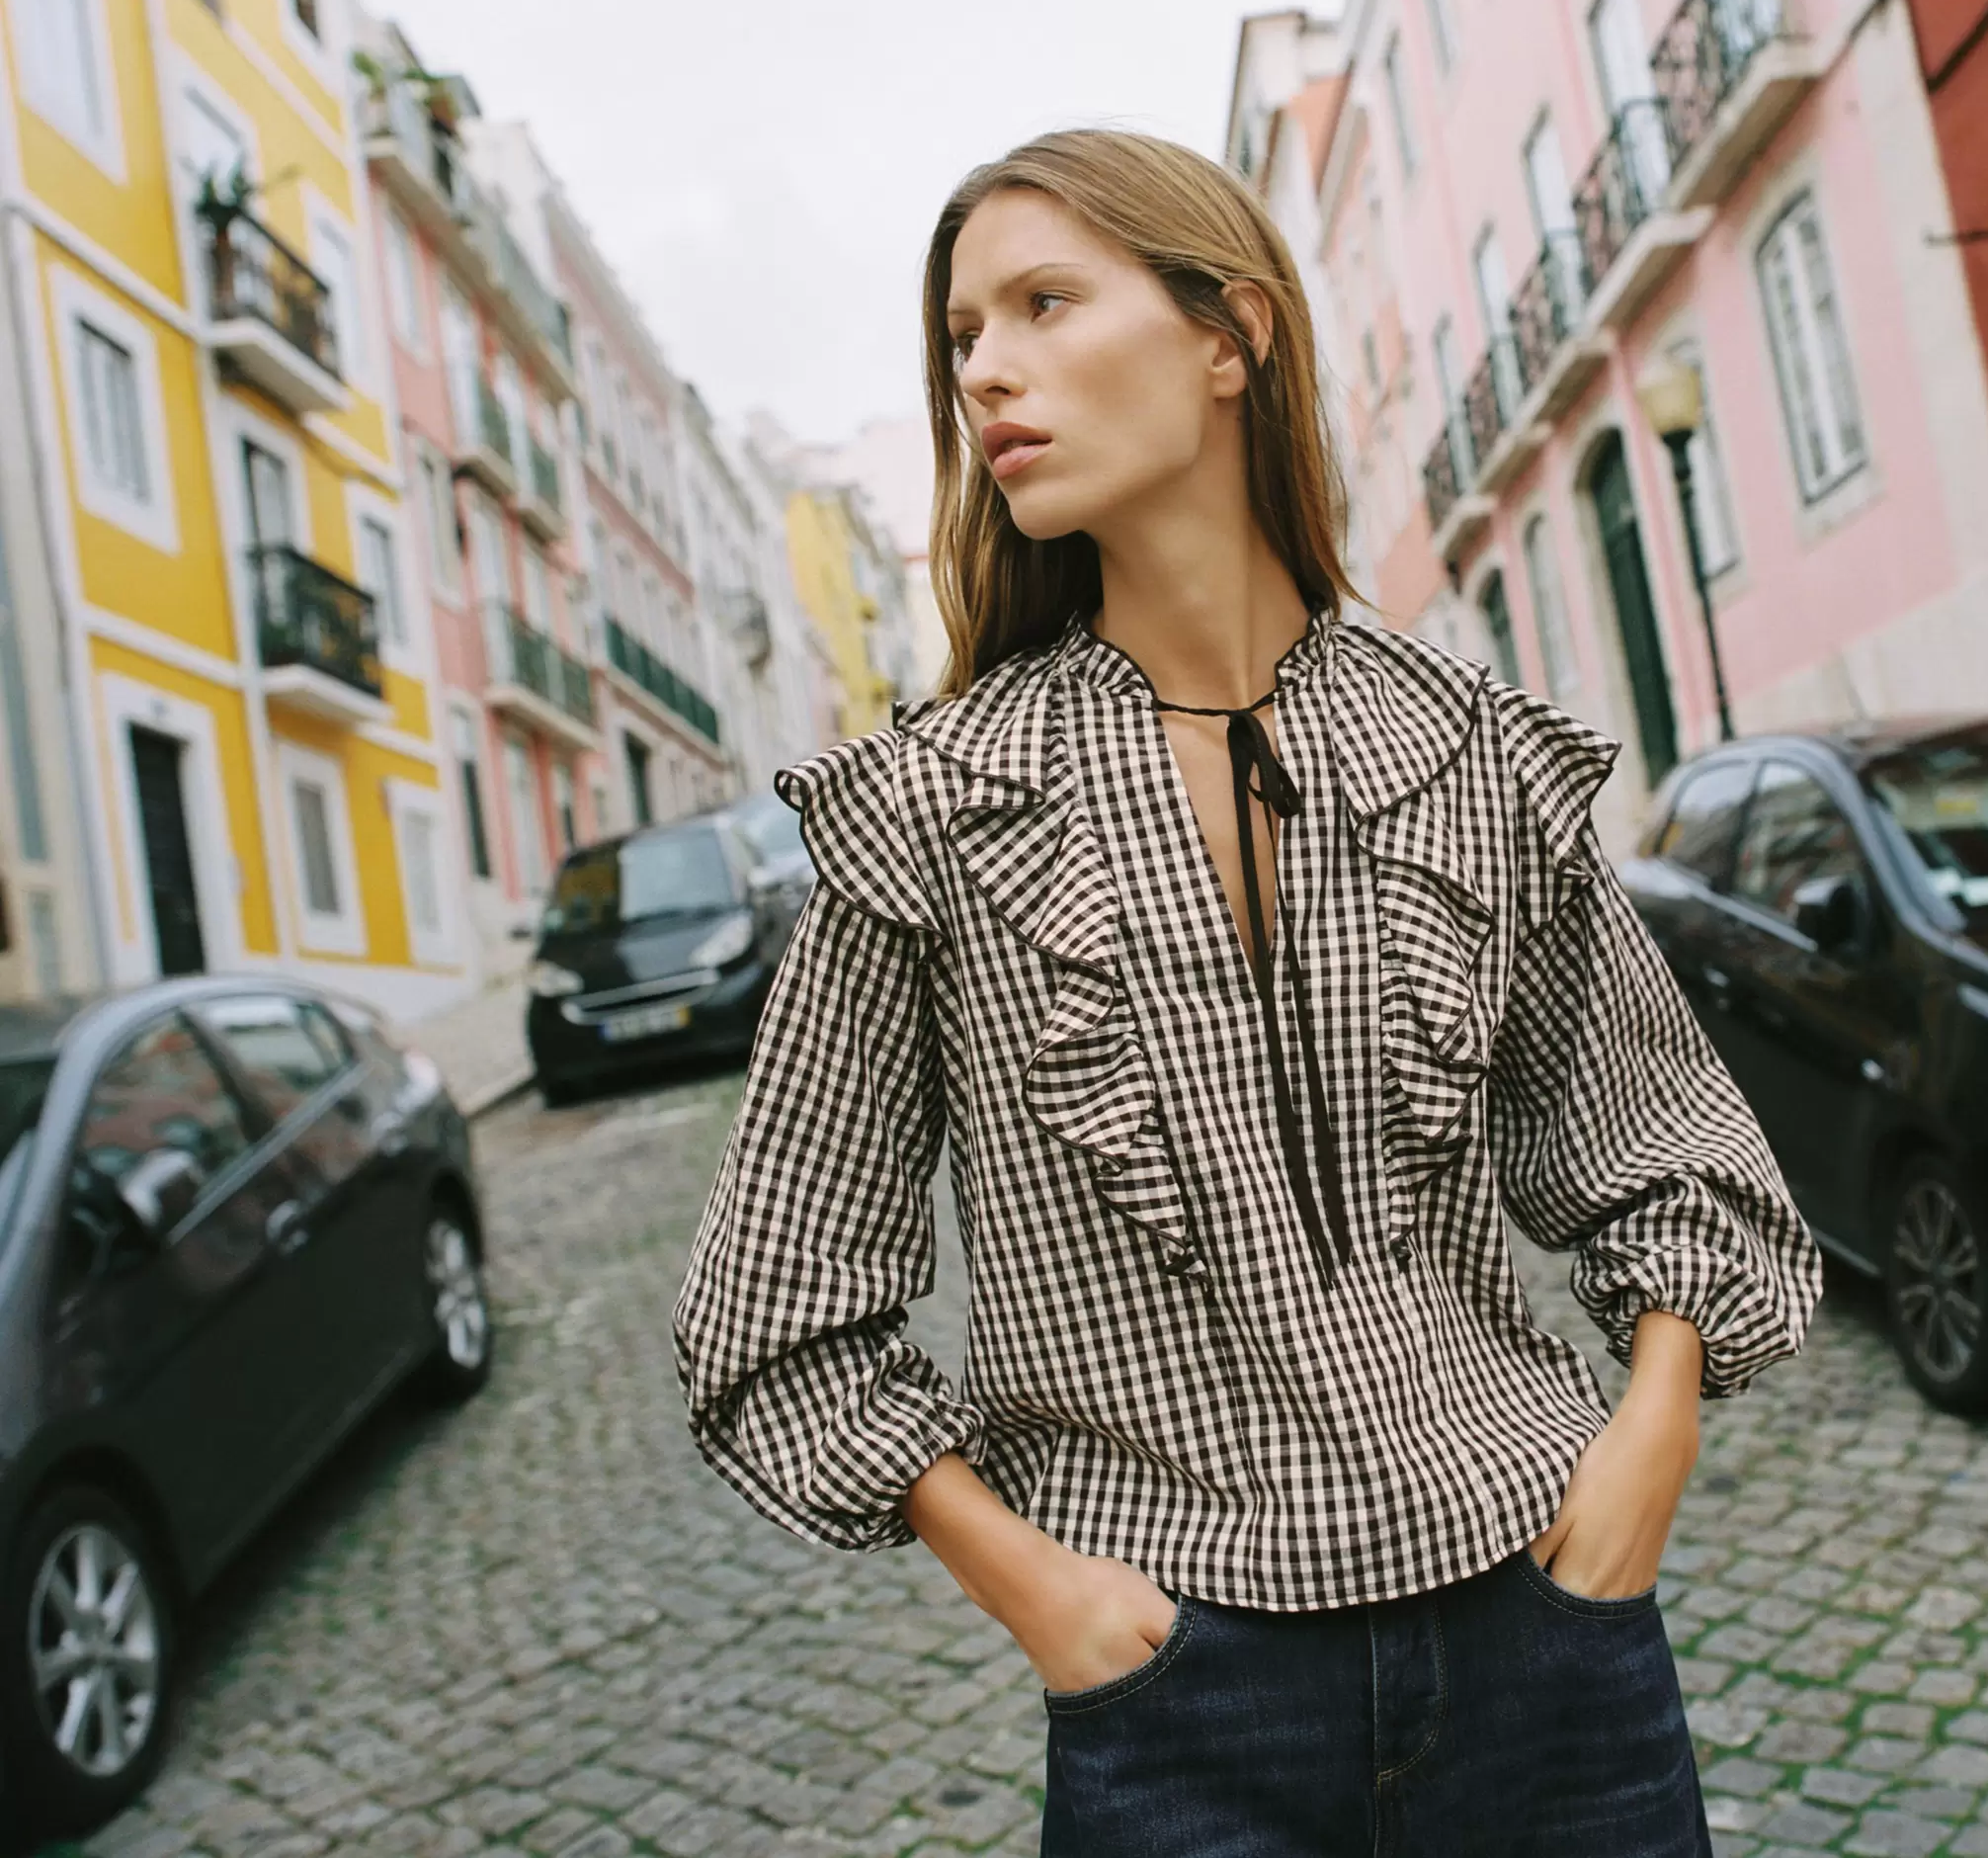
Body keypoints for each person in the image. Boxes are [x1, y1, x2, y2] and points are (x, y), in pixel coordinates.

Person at [673, 127, 1823, 1856]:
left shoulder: (1466, 752)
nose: (987, 367)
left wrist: (1644, 1449)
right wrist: (1052, 1604)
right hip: (1181, 1697)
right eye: (963, 336)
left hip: (1550, 1645)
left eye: (1046, 302)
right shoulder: (938, 806)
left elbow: (1669, 1150)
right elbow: (775, 1308)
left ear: (1233, 338)